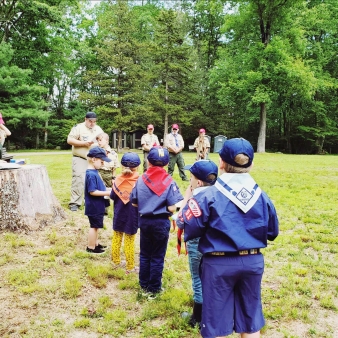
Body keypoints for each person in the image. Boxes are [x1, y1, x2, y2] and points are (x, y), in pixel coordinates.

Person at [176, 138, 279, 338]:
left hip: (218, 264)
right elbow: (272, 232)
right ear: (251, 164)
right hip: (252, 261)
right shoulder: (263, 197)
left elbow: (191, 228)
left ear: (221, 163)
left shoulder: (206, 196)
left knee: (216, 325)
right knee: (250, 323)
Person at [131, 146, 183, 298]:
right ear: (167, 164)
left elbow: (134, 203)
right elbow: (172, 207)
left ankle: (143, 283)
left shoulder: (141, 179)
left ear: (148, 161)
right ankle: (154, 288)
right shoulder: (169, 181)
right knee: (157, 256)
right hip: (161, 223)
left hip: (145, 222)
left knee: (145, 253)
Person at [176, 160, 218, 328]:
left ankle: (198, 317)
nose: (190, 181)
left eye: (191, 177)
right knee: (211, 277)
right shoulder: (218, 195)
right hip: (215, 244)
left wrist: (187, 199)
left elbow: (180, 222)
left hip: (197, 244)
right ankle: (213, 310)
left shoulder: (196, 200)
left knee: (198, 278)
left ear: (198, 182)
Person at [110, 152, 140, 273]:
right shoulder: (139, 181)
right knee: (129, 240)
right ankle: (130, 266)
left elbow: (112, 196)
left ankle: (115, 261)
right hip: (132, 216)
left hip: (118, 214)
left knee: (117, 237)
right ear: (137, 167)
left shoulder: (117, 179)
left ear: (122, 166)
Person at [67, 112, 104, 211]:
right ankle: (75, 203)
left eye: (94, 121)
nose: (92, 123)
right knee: (78, 179)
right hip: (80, 157)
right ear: (85, 119)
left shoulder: (98, 129)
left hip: (94, 159)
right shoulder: (78, 127)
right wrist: (84, 143)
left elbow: (104, 139)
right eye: (90, 121)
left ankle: (92, 201)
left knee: (95, 180)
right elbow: (69, 140)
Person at [84, 146, 112, 254]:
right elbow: (92, 191)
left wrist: (111, 189)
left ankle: (96, 244)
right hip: (94, 206)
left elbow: (101, 188)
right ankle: (91, 247)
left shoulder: (95, 172)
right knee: (94, 226)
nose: (103, 164)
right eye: (101, 161)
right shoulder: (91, 174)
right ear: (94, 159)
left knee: (97, 226)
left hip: (98, 205)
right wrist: (108, 193)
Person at [96, 132, 120, 215]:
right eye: (98, 140)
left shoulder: (113, 153)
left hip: (109, 174)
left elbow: (115, 167)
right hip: (99, 172)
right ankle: (98, 209)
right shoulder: (97, 152)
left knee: (107, 192)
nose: (99, 142)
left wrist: (113, 178)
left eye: (100, 140)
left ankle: (106, 210)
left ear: (106, 140)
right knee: (98, 191)